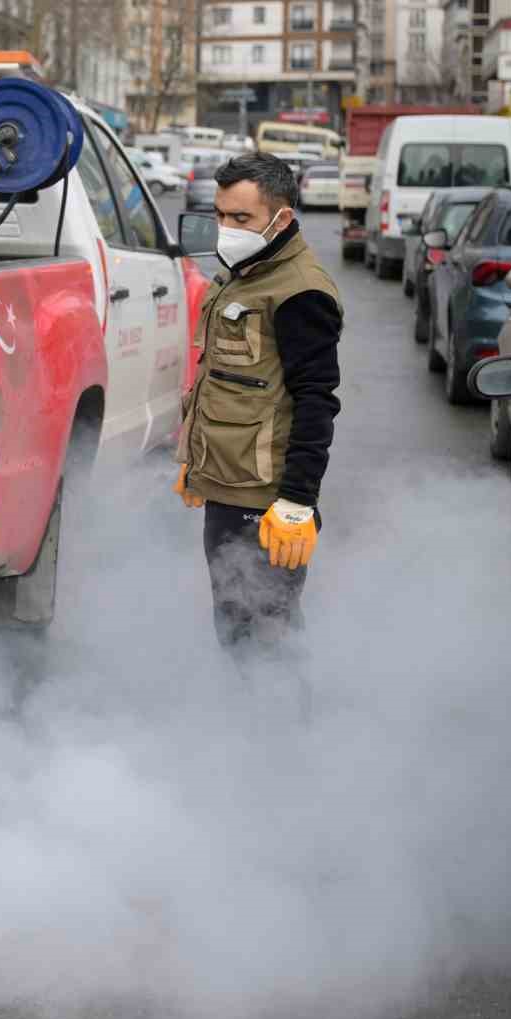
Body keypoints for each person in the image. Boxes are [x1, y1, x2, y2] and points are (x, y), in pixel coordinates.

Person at [173, 152, 342, 655]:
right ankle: (252, 722)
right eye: (221, 216)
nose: (226, 229)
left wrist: (297, 500)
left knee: (265, 632)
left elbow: (317, 400)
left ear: (281, 218)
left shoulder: (300, 292)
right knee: (235, 623)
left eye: (241, 218)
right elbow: (220, 382)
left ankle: (281, 729)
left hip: (267, 501)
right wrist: (194, 459)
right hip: (228, 488)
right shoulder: (243, 272)